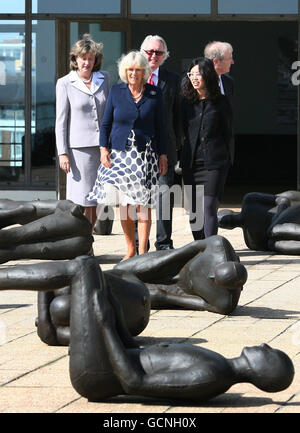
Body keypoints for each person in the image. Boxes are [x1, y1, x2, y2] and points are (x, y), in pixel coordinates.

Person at [0, 255, 294, 402]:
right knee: (82, 273)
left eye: (270, 354)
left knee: (83, 269)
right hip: (111, 356)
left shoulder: (211, 376)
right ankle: (42, 314)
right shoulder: (218, 365)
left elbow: (133, 382)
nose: (266, 346)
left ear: (264, 372)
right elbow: (143, 356)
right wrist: (114, 318)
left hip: (97, 374)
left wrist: (104, 326)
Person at [87, 50, 167, 260]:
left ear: (144, 72)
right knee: (125, 204)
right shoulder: (116, 91)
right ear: (124, 71)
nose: (134, 73)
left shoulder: (154, 93)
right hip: (120, 155)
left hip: (144, 156)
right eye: (130, 69)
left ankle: (142, 252)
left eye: (138, 70)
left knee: (144, 205)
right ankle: (130, 248)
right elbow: (105, 124)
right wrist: (104, 149)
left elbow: (161, 127)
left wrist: (163, 155)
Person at [55, 33, 109, 230]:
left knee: (97, 198)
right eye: (83, 58)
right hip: (79, 151)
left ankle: (88, 239)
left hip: (103, 149)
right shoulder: (65, 83)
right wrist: (63, 152)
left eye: (90, 58)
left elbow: (109, 112)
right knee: (82, 199)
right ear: (75, 59)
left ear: (96, 60)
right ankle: (82, 240)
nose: (86, 62)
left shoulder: (104, 79)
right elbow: (61, 121)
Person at [115, 235, 247, 315]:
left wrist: (164, 297)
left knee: (127, 292)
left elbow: (200, 304)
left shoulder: (224, 303)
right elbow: (191, 248)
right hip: (175, 263)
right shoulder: (218, 245)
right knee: (119, 269)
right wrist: (158, 263)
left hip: (180, 290)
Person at [181, 57, 232, 240]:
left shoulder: (221, 103)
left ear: (208, 76)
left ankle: (211, 250)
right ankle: (199, 248)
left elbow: (228, 132)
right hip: (191, 163)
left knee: (209, 206)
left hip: (214, 163)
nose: (194, 78)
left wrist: (227, 159)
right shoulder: (185, 103)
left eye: (198, 74)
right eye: (191, 74)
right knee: (194, 211)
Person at [140, 35, 182, 251]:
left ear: (164, 56)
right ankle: (139, 244)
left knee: (164, 196)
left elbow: (178, 116)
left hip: (164, 150)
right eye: (149, 51)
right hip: (137, 151)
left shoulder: (173, 80)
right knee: (139, 198)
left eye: (158, 52)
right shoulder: (130, 76)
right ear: (142, 52)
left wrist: (178, 147)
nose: (153, 56)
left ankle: (164, 243)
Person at [204, 41, 235, 164]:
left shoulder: (228, 82)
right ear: (216, 61)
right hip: (203, 151)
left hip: (223, 151)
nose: (232, 62)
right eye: (230, 58)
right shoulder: (196, 81)